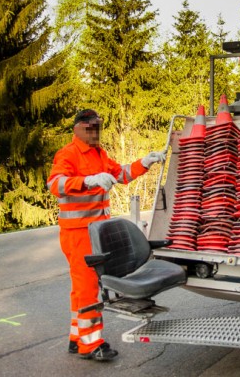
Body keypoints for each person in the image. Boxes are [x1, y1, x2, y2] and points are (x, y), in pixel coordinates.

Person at [47, 109, 164, 361]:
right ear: (78, 128)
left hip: (95, 233)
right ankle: (91, 344)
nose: (95, 132)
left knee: (81, 290)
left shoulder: (100, 153)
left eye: (98, 127)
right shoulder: (68, 154)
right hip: (78, 234)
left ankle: (77, 340)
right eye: (90, 127)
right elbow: (54, 184)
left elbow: (120, 174)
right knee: (88, 289)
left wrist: (144, 163)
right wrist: (87, 181)